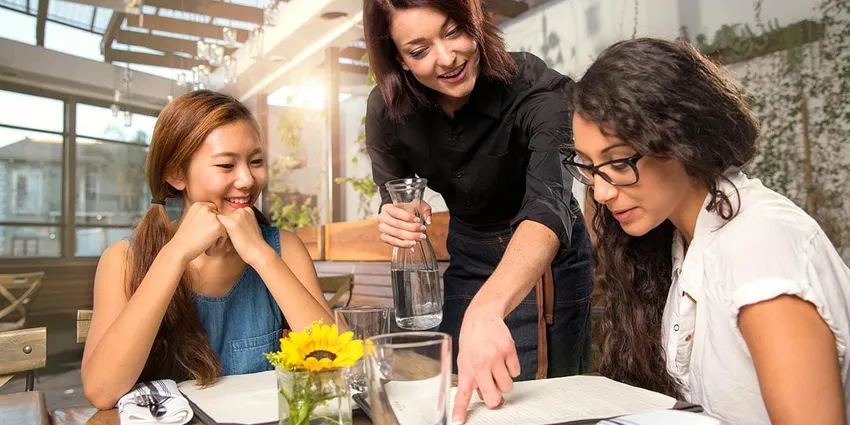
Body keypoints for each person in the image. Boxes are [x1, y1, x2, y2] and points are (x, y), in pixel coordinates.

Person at [567, 37, 849, 424]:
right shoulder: (683, 237)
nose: (599, 190)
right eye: (587, 165)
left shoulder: (760, 245)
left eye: (618, 163)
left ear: (681, 140)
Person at [362, 1, 594, 422]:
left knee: (539, 401)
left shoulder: (535, 89)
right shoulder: (386, 108)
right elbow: (394, 191)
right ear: (399, 57)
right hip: (467, 251)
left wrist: (486, 310)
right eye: (419, 50)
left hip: (543, 255)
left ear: (476, 22)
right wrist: (396, 214)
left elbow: (550, 204)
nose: (447, 58)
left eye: (453, 32)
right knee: (461, 391)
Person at [81, 90, 335, 409]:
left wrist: (260, 254)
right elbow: (102, 392)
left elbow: (335, 359)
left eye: (256, 162)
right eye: (226, 165)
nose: (247, 179)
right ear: (176, 174)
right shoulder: (123, 259)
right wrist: (175, 255)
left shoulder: (283, 247)